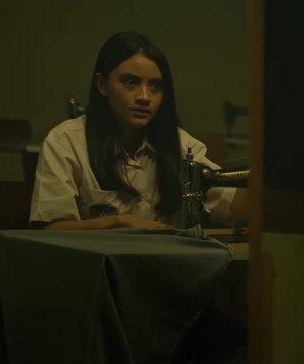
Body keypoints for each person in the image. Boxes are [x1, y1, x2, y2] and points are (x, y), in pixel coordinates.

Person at [29, 31, 247, 230]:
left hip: (168, 261)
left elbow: (234, 205)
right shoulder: (65, 142)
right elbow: (50, 229)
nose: (144, 96)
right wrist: (119, 222)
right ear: (102, 84)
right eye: (131, 82)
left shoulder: (181, 144)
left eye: (155, 86)